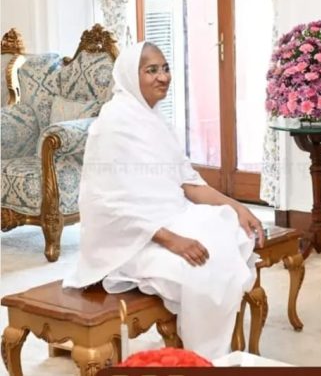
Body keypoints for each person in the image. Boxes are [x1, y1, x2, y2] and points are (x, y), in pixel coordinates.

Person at [63, 41, 266, 360]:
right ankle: (203, 357)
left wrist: (238, 208)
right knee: (199, 272)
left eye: (166, 68)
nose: (163, 77)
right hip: (128, 241)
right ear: (131, 76)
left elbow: (189, 183)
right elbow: (106, 205)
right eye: (151, 70)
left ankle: (211, 356)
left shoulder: (156, 120)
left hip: (171, 217)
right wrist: (172, 240)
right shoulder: (112, 125)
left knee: (230, 234)